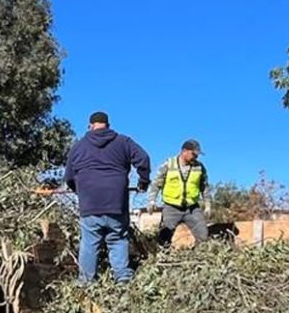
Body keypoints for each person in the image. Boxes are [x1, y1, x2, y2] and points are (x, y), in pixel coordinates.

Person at [65, 111, 151, 283]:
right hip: (116, 202)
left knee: (89, 243)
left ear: (90, 126)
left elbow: (69, 177)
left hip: (90, 204)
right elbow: (143, 159)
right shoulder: (123, 142)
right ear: (108, 126)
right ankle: (122, 281)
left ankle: (86, 283)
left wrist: (80, 191)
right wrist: (143, 181)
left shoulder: (78, 147)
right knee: (117, 240)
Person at [148, 139, 209, 246]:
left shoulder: (199, 167)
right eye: (193, 154)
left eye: (197, 155)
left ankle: (197, 258)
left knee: (203, 235)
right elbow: (156, 184)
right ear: (184, 151)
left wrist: (208, 205)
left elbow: (204, 187)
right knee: (164, 238)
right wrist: (152, 201)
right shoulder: (169, 164)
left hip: (192, 208)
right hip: (171, 207)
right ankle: (163, 259)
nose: (196, 157)